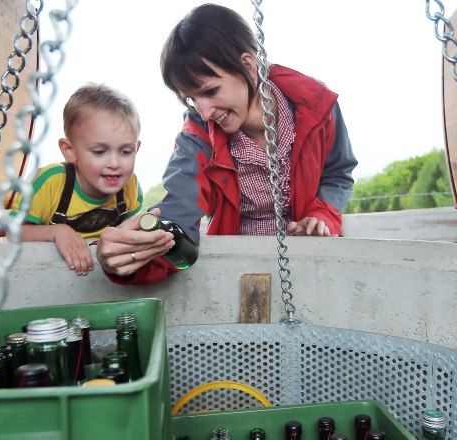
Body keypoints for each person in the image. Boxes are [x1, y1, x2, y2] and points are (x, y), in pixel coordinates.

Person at [96, 3, 357, 285]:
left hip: (313, 264)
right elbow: (179, 211)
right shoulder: (197, 136)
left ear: (248, 65)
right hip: (236, 271)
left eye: (210, 91)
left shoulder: (316, 106)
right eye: (194, 98)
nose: (205, 112)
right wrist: (132, 253)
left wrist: (321, 215)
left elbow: (337, 174)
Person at [9, 83, 156, 276]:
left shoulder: (129, 185)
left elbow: (131, 230)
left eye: (125, 151)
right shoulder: (49, 182)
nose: (114, 163)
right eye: (99, 151)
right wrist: (57, 232)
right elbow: (13, 233)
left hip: (106, 277)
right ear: (70, 151)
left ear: (136, 149)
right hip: (49, 276)